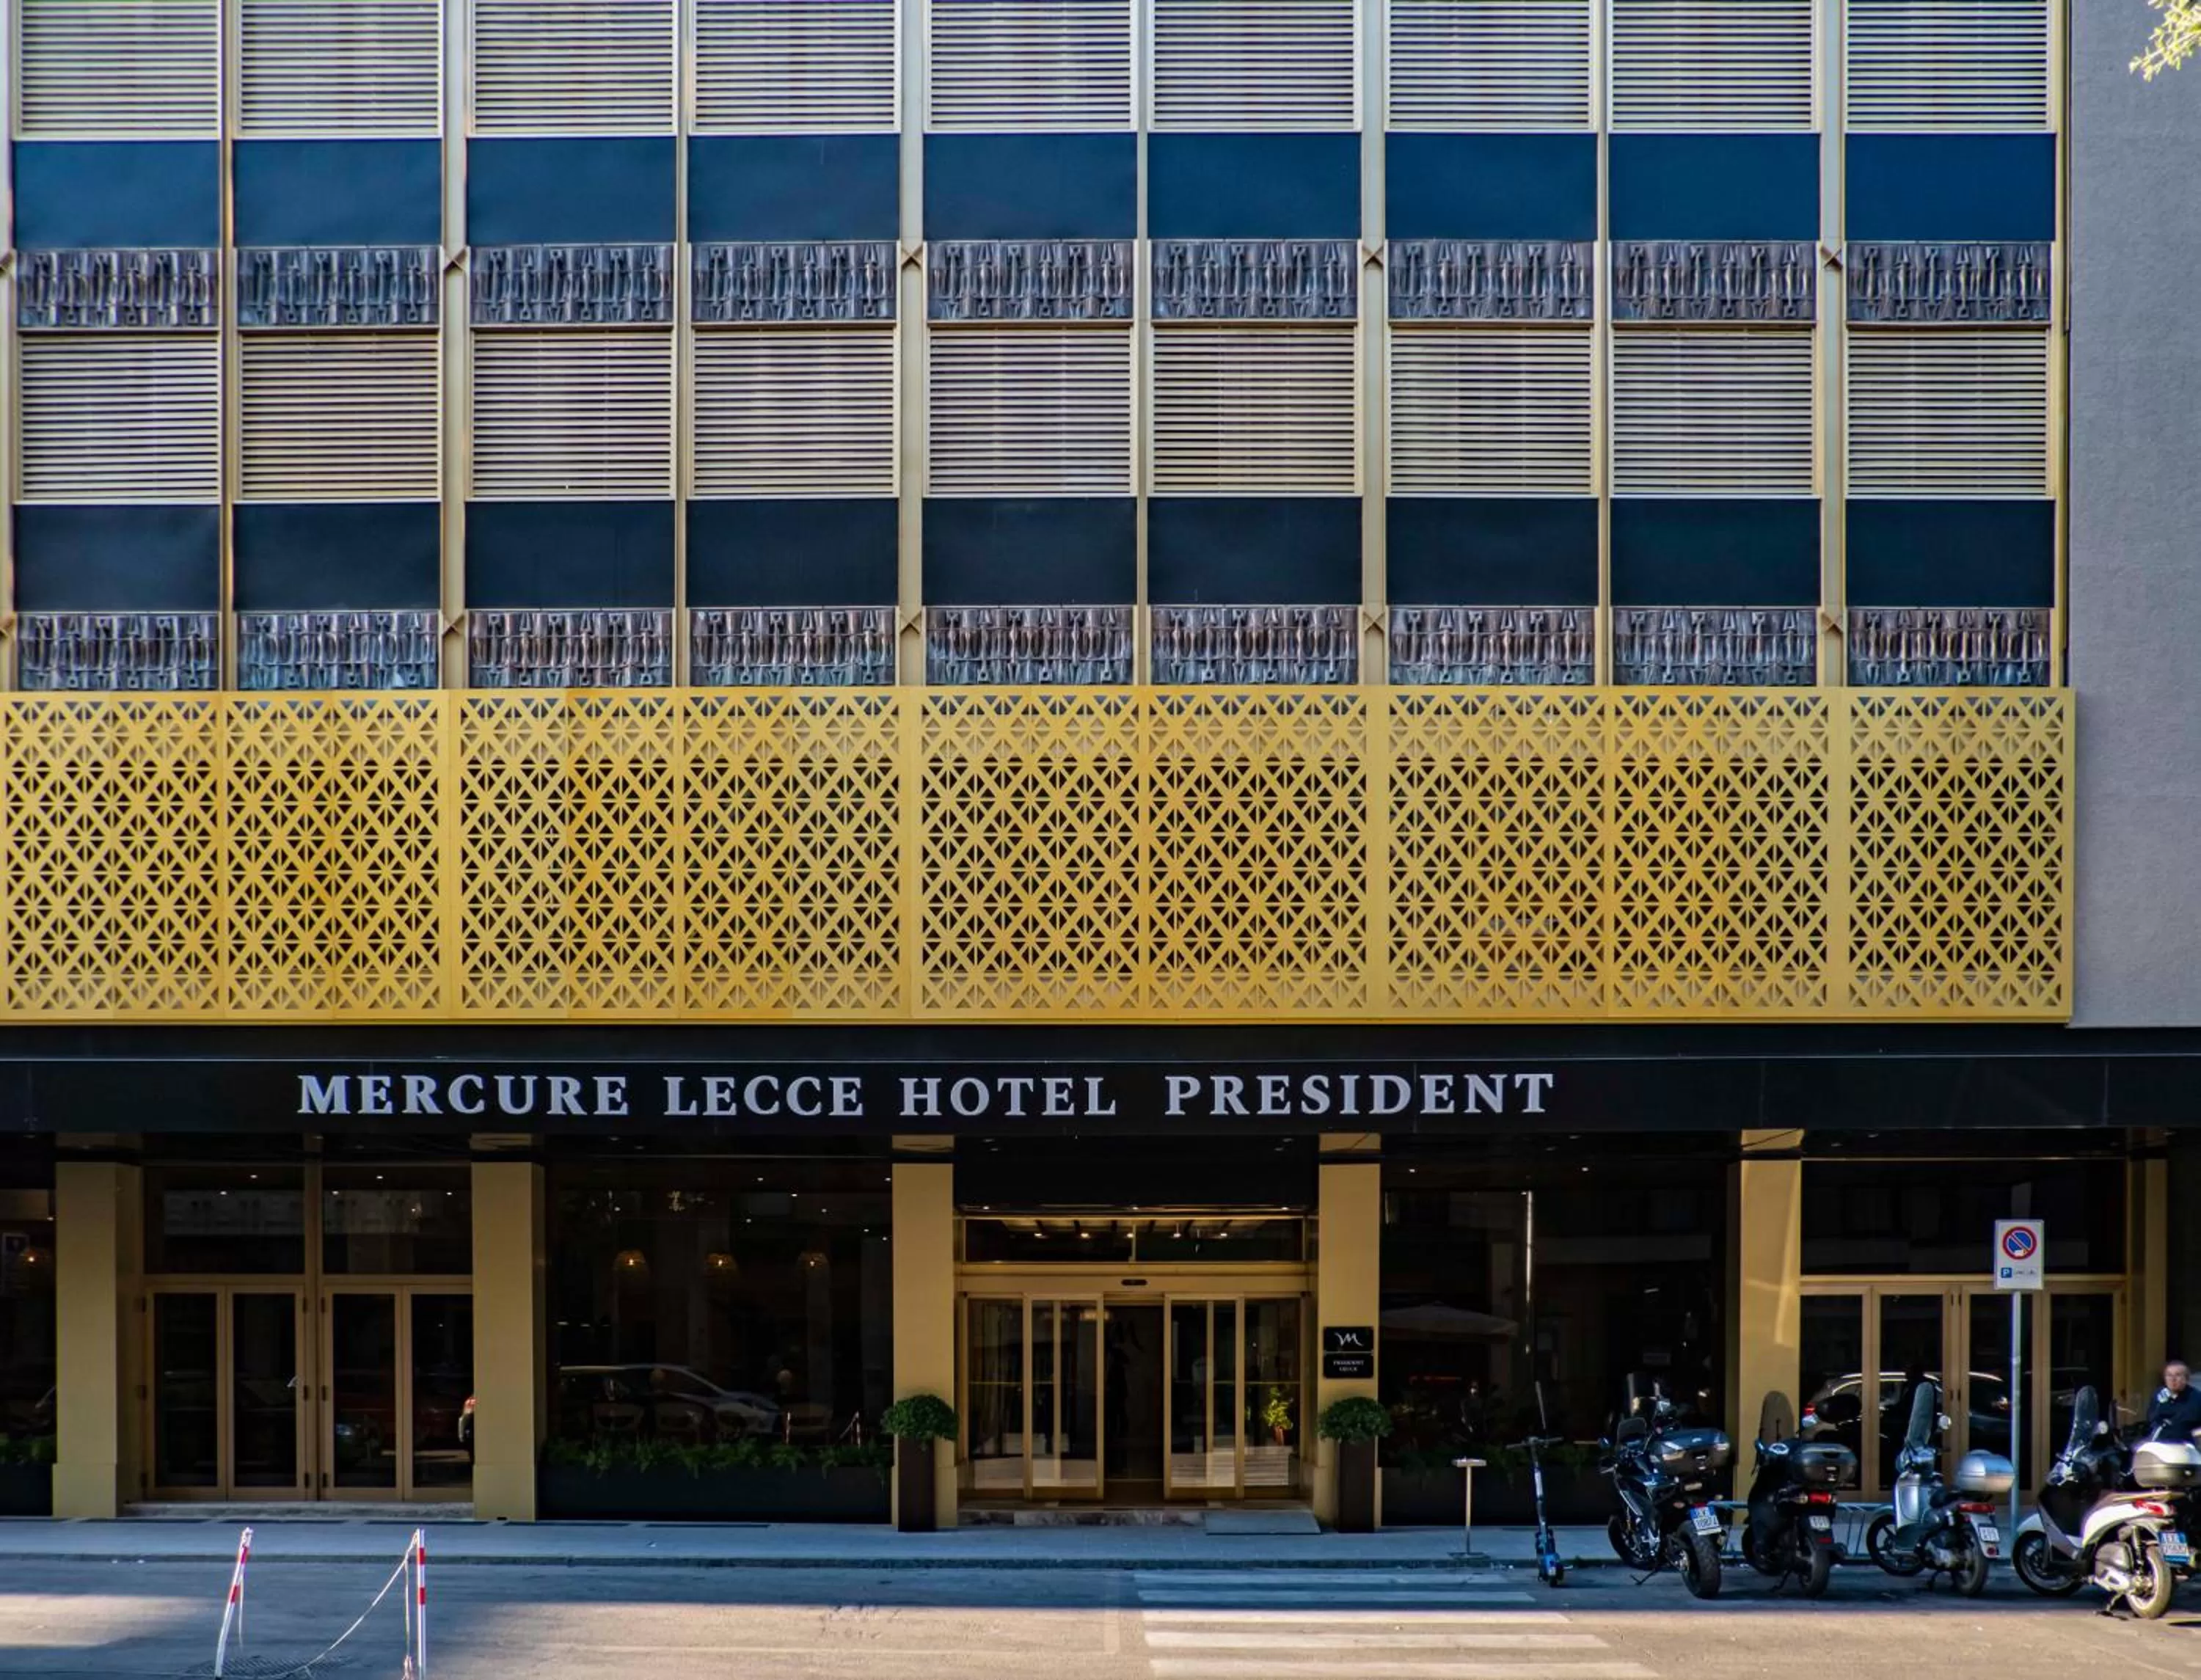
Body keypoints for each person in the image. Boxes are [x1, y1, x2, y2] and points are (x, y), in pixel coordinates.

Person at [2147, 1360, 2201, 1439]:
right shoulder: (2159, 1394)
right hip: (2159, 1440)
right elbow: (2152, 1417)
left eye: (2178, 1375)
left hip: (2185, 1442)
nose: (2173, 1379)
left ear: (2186, 1379)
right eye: (2169, 1375)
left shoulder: (2196, 1398)